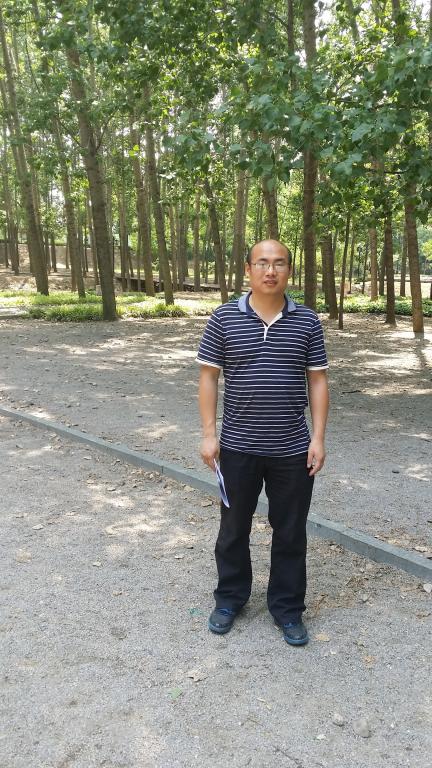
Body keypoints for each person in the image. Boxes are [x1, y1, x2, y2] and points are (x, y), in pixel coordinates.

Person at [196, 239, 329, 646]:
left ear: (290, 270)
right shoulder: (223, 318)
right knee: (233, 529)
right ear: (248, 269)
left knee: (290, 532)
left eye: (279, 263)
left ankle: (287, 609)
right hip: (238, 448)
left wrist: (318, 438)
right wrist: (209, 434)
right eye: (262, 263)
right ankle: (229, 599)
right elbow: (209, 377)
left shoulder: (307, 321)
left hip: (293, 450)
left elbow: (318, 380)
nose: (270, 271)